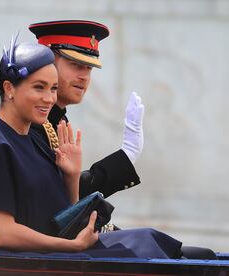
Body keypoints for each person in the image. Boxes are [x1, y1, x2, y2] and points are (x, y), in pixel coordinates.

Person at [0, 37, 184, 258]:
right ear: (9, 88)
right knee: (156, 251)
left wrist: (71, 176)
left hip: (59, 254)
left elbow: (64, 215)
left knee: (162, 245)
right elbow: (4, 234)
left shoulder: (33, 138)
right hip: (36, 261)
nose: (49, 99)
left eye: (53, 88)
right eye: (39, 87)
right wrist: (72, 246)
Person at [28, 20, 143, 199]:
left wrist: (126, 155)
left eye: (89, 67)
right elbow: (55, 199)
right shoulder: (32, 121)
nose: (84, 76)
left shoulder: (56, 119)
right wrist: (126, 155)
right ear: (46, 63)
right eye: (75, 64)